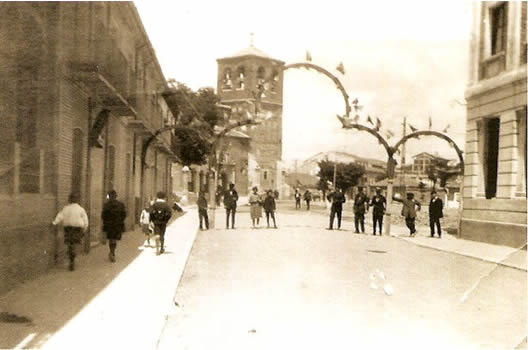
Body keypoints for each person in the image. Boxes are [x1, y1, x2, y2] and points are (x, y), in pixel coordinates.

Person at [52, 193, 89, 271]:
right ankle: (72, 259)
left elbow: (60, 216)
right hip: (77, 229)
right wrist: (85, 229)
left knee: (70, 244)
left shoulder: (66, 208)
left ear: (69, 200)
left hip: (68, 228)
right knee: (74, 244)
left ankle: (71, 258)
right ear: (77, 200)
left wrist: (54, 223)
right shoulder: (80, 209)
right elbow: (85, 220)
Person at [102, 190, 127, 263]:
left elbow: (103, 216)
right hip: (118, 225)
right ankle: (112, 252)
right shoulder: (121, 205)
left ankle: (111, 252)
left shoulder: (106, 205)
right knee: (114, 239)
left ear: (109, 196)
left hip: (109, 225)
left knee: (111, 239)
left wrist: (106, 222)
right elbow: (124, 215)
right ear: (116, 196)